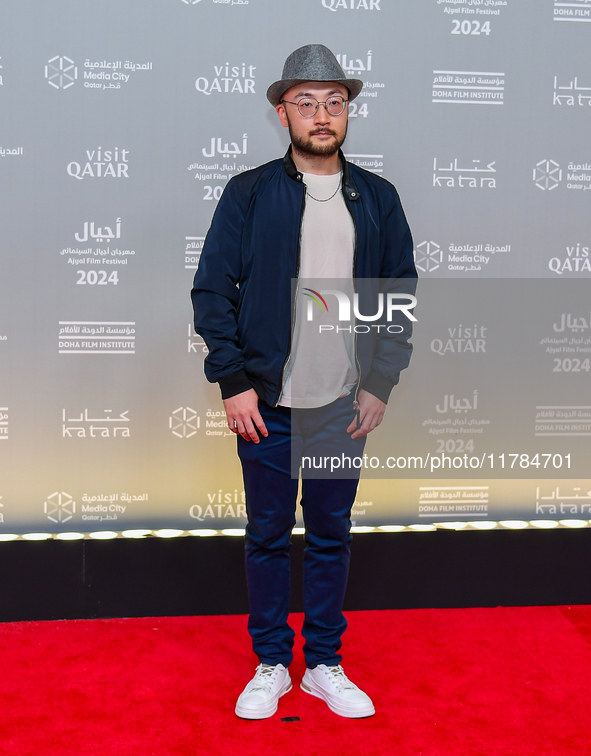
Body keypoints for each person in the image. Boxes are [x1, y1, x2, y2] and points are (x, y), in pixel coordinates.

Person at [191, 44, 416, 719]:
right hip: (265, 403)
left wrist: (379, 382)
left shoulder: (376, 198)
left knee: (328, 534)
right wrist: (231, 382)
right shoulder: (250, 192)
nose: (321, 115)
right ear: (281, 110)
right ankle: (270, 663)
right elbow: (212, 289)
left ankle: (320, 663)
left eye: (333, 102)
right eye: (306, 102)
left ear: (348, 111)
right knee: (265, 534)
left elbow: (396, 293)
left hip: (338, 408)